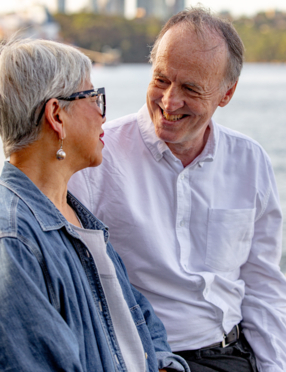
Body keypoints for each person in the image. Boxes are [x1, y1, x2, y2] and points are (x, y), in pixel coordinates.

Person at [69, 8, 286, 372]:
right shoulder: (99, 156)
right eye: (161, 80)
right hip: (145, 359)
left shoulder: (250, 162)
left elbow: (263, 285)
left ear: (226, 93)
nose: (169, 102)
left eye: (190, 88)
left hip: (235, 356)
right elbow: (70, 278)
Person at [0, 36, 190, 372]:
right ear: (56, 115)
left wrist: (163, 364)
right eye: (93, 97)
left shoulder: (76, 216)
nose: (103, 116)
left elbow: (138, 315)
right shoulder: (13, 240)